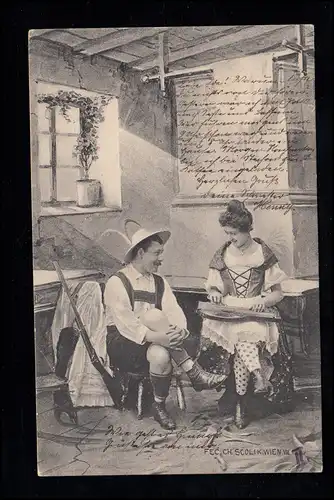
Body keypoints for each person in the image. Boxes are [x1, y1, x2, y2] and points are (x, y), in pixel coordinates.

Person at [104, 227, 227, 430]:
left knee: (160, 355)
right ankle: (193, 371)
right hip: (125, 344)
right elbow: (127, 325)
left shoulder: (159, 282)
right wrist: (160, 336)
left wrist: (180, 330)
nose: (161, 259)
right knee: (152, 315)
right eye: (157, 253)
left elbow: (173, 311)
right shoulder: (117, 282)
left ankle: (158, 405)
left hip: (157, 341)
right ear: (141, 253)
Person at [200, 200, 294, 429]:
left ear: (247, 230)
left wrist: (264, 301)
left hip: (254, 309)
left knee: (247, 337)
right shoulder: (223, 253)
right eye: (227, 233)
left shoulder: (262, 253)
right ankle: (253, 381)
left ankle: (242, 402)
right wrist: (214, 293)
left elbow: (278, 293)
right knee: (240, 337)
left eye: (234, 234)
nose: (230, 238)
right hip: (229, 310)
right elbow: (213, 286)